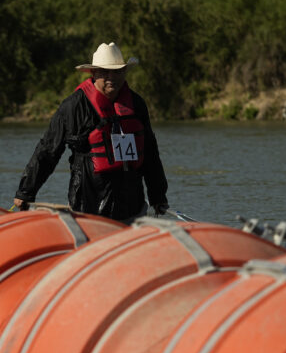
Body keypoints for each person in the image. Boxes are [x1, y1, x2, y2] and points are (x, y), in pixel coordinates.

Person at [13, 42, 169, 222]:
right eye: (105, 72)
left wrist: (158, 196)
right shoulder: (74, 106)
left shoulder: (136, 104)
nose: (112, 77)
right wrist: (25, 192)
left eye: (117, 71)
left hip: (131, 203)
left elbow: (150, 152)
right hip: (88, 204)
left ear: (125, 72)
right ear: (94, 73)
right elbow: (48, 150)